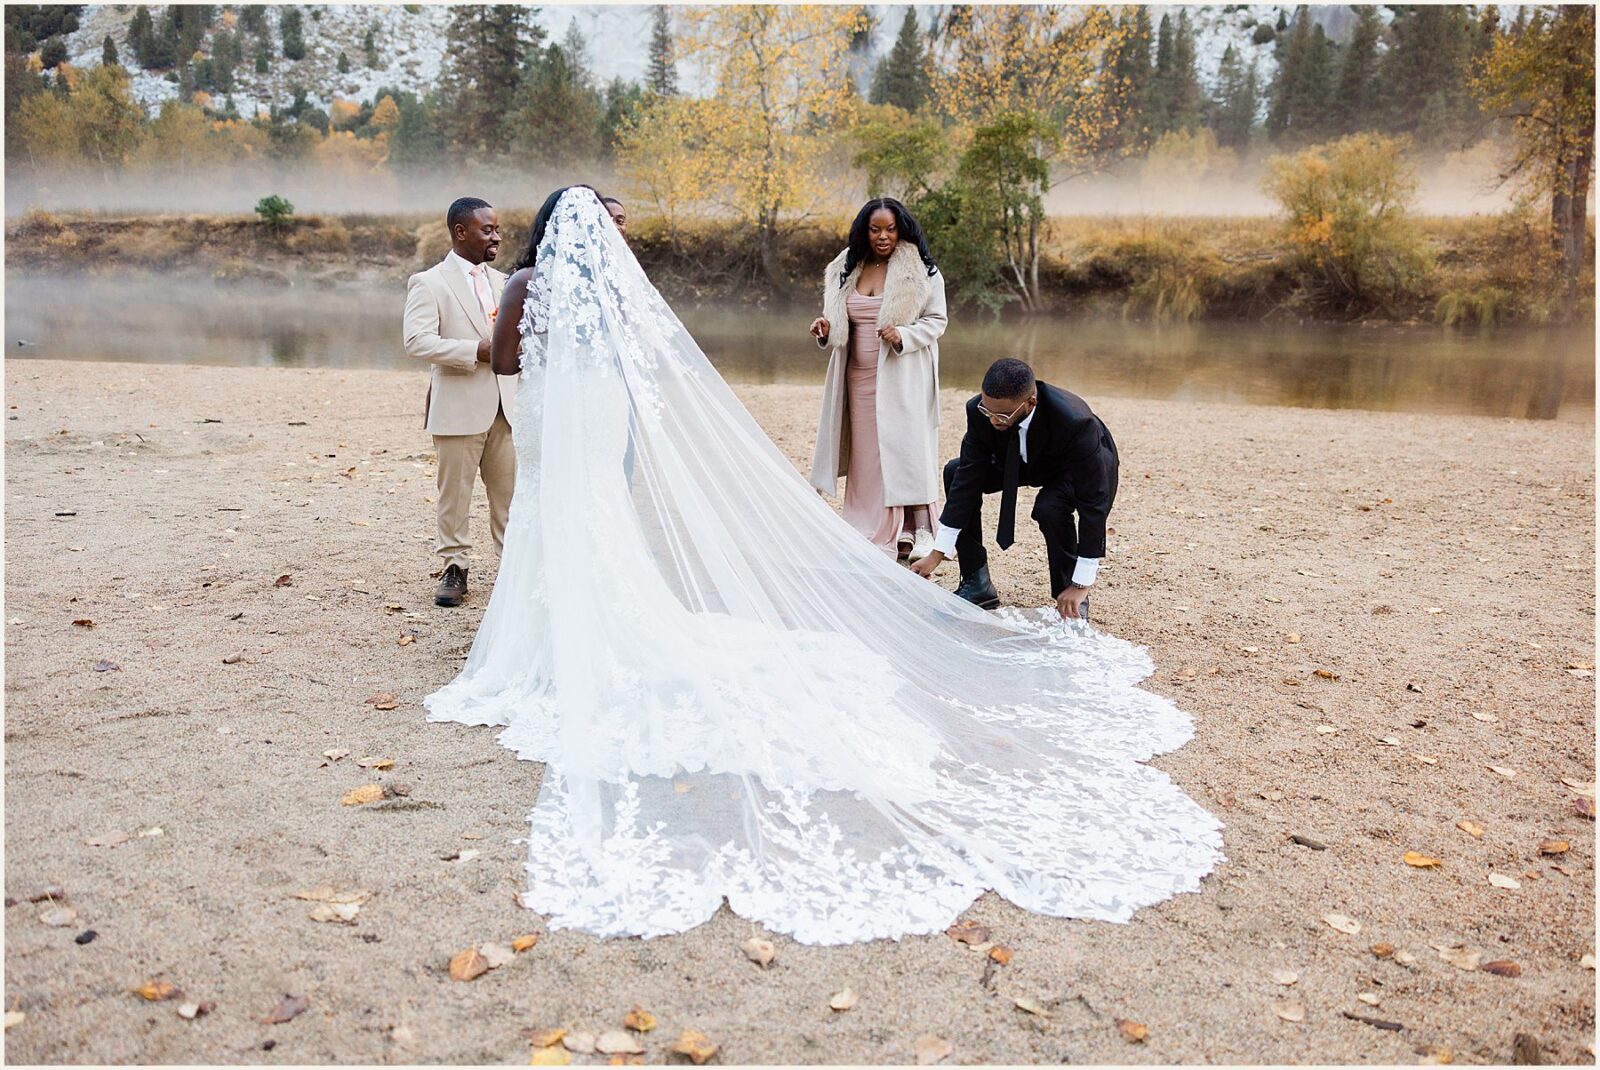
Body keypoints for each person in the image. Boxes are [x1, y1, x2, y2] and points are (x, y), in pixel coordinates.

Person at [425, 188, 1219, 947]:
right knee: (588, 521)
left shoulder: (528, 281)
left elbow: (504, 358)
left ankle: (548, 634)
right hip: (598, 416)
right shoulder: (613, 287)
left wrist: (533, 353)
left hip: (558, 413)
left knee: (553, 522)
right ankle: (583, 622)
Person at [911, 358, 1117, 623]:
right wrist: (938, 553)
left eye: (1003, 415)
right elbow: (968, 477)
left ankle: (1070, 595)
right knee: (955, 470)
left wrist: (1082, 583)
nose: (994, 420)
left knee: (1049, 507)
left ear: (1031, 402)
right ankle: (977, 583)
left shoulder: (1076, 421)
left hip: (1073, 465)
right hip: (1018, 459)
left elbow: (1094, 502)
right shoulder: (979, 411)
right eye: (988, 411)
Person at [808, 198, 946, 562]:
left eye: (890, 229)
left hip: (903, 375)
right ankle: (870, 526)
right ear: (864, 231)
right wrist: (824, 328)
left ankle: (919, 529)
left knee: (906, 448)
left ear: (901, 228)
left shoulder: (921, 270)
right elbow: (837, 319)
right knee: (867, 456)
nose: (882, 236)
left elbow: (937, 321)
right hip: (857, 377)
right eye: (875, 229)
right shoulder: (846, 266)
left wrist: (903, 335)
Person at [402, 196, 516, 607]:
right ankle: (455, 569)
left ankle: (512, 569)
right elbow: (416, 340)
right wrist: (475, 352)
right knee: (455, 495)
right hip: (457, 406)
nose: (496, 237)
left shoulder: (506, 282)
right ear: (460, 232)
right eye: (488, 229)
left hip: (507, 408)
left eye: (497, 229)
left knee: (510, 495)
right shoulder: (428, 283)